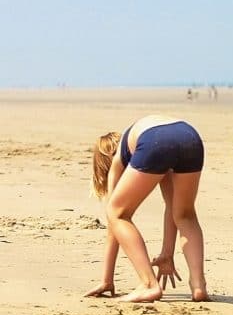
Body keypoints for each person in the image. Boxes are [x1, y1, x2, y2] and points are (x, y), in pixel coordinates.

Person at [85, 116, 208, 303]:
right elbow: (170, 207)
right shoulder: (140, 138)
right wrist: (167, 254)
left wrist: (106, 280)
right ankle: (198, 285)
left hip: (155, 140)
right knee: (185, 214)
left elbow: (114, 222)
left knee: (117, 213)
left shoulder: (120, 158)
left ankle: (149, 284)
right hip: (189, 135)